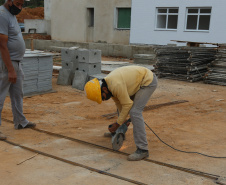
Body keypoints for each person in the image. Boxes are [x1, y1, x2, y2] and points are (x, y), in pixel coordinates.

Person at [84, 66, 158, 161]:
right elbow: (120, 104)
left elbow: (127, 104)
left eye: (102, 97)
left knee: (135, 112)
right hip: (136, 83)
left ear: (104, 90)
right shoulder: (108, 86)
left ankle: (143, 149)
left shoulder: (115, 85)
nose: (103, 99)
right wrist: (122, 122)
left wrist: (117, 123)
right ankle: (120, 132)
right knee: (122, 110)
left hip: (147, 82)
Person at [0, 0, 36, 140]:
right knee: (1, 96)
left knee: (17, 94)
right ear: (9, 1)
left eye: (22, 5)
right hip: (6, 64)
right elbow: (2, 45)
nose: (20, 7)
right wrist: (10, 69)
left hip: (16, 62)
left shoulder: (11, 14)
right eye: (18, 4)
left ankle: (20, 122)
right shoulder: (2, 15)